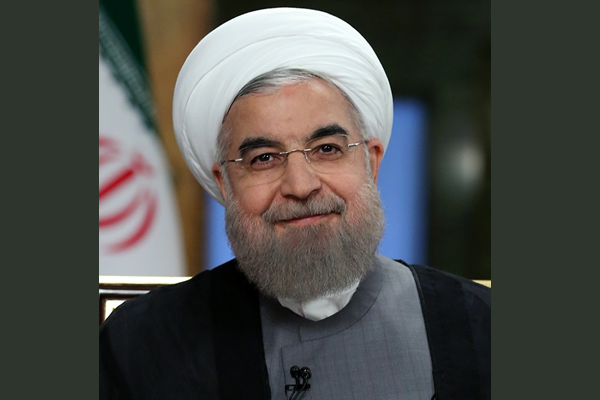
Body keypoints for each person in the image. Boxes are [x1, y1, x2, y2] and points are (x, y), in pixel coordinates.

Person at [100, 7, 490, 400]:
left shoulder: (480, 326)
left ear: (371, 162)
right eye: (264, 158)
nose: (301, 186)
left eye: (327, 149)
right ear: (225, 183)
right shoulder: (146, 343)